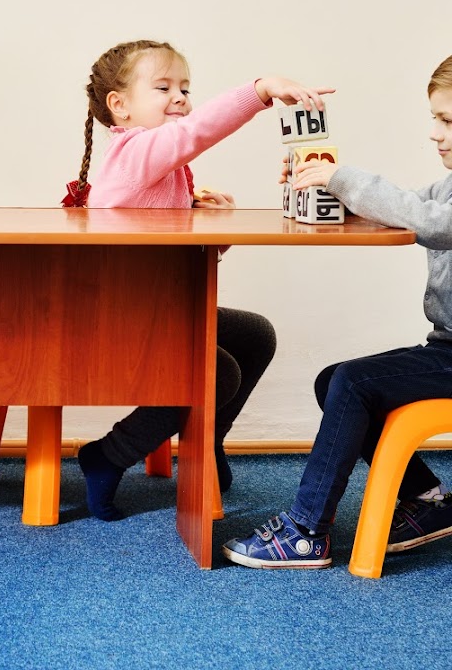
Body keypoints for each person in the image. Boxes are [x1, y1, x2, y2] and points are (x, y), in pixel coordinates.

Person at [65, 39, 331, 521]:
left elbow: (185, 257)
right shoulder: (133, 152)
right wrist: (260, 90)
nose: (180, 98)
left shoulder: (166, 168)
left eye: (185, 88)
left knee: (254, 334)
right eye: (163, 87)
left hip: (158, 310)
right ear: (119, 105)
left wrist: (210, 227)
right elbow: (196, 131)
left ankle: (205, 441)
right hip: (123, 319)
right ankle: (108, 453)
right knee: (218, 371)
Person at [222, 54, 452, 569]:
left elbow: (430, 223)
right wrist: (325, 190)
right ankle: (427, 500)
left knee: (351, 382)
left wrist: (343, 177)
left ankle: (306, 532)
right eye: (435, 119)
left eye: (448, 121)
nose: (435, 134)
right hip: (446, 348)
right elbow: (402, 211)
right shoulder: (448, 187)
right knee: (335, 381)